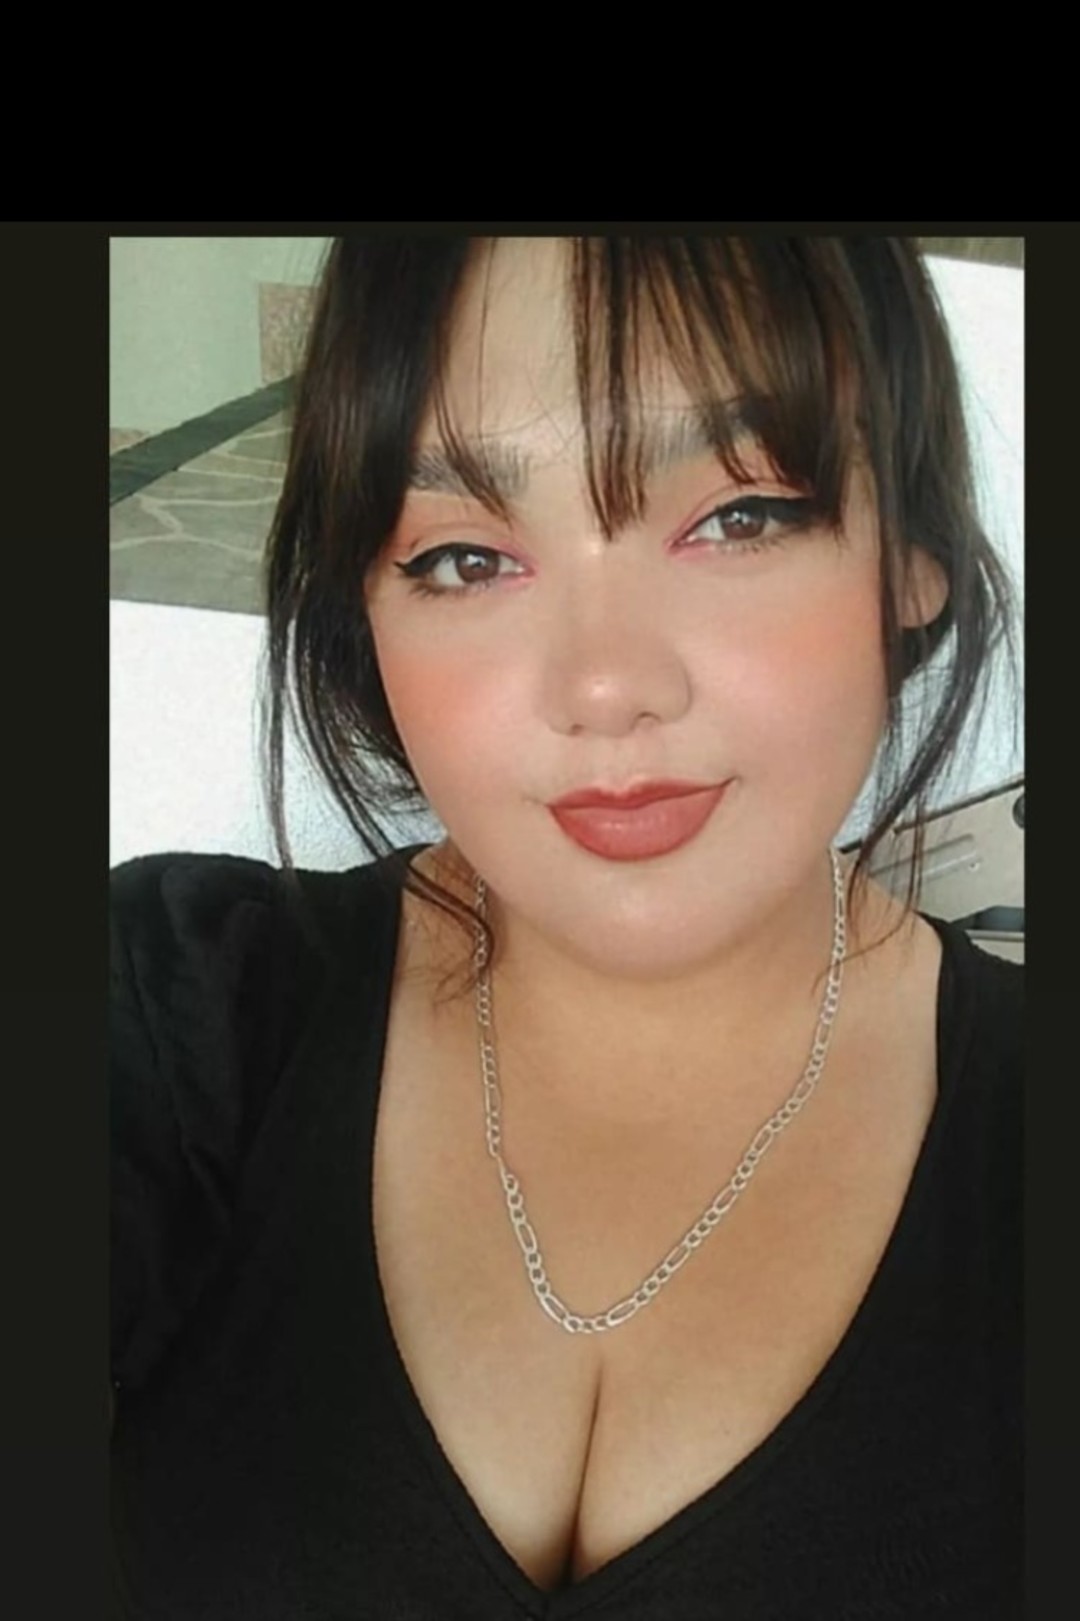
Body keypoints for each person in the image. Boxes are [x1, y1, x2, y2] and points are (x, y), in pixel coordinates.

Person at [110, 236, 1022, 1618]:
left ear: (910, 555)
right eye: (467, 557)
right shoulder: (176, 1009)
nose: (605, 687)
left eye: (740, 517)